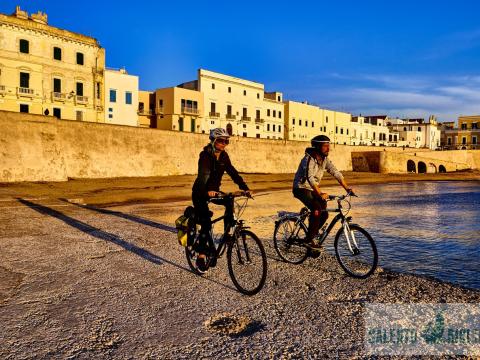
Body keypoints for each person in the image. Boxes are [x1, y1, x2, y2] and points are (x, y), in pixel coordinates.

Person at [192, 128, 251, 271]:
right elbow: (204, 175)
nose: (224, 143)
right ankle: (200, 255)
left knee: (229, 201)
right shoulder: (205, 155)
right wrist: (209, 190)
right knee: (206, 221)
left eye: (226, 141)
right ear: (213, 141)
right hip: (200, 192)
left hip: (214, 191)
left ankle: (228, 233)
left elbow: (232, 172)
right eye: (221, 140)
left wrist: (244, 187)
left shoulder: (224, 156)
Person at [292, 135, 354, 255]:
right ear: (317, 147)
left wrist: (347, 189)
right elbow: (310, 178)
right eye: (325, 146)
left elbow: (335, 172)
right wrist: (320, 193)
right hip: (300, 188)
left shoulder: (324, 160)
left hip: (312, 189)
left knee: (324, 214)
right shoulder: (308, 159)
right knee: (316, 208)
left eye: (328, 145)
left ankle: (311, 235)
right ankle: (309, 240)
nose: (328, 148)